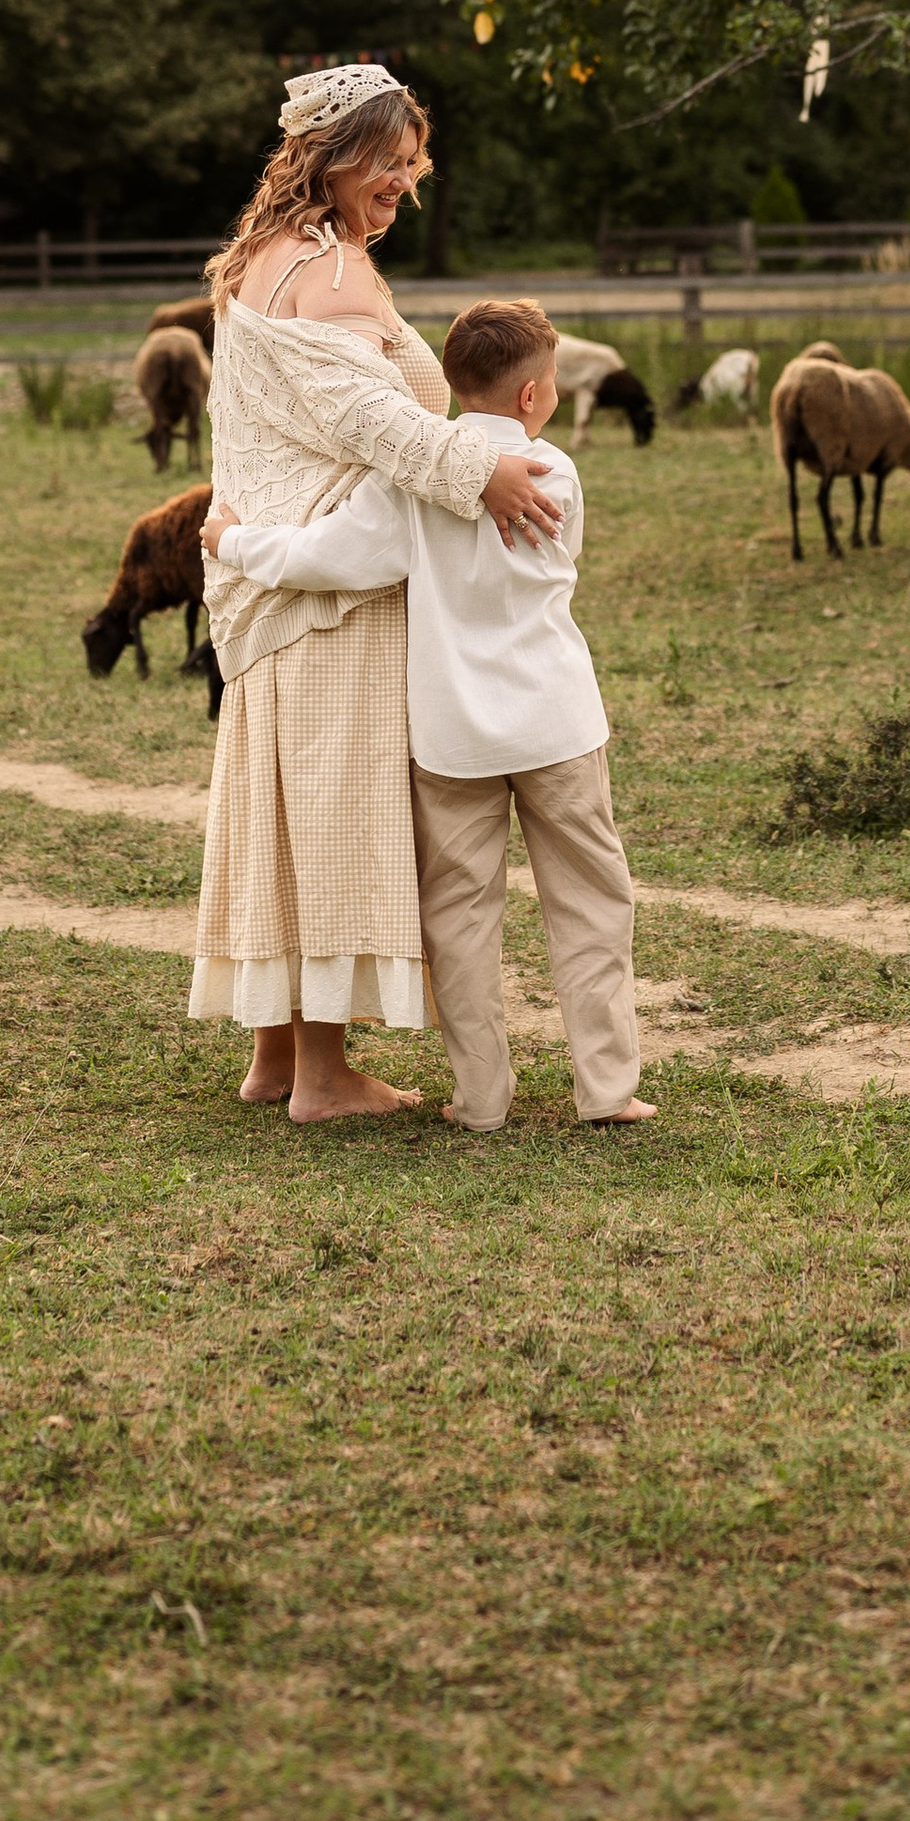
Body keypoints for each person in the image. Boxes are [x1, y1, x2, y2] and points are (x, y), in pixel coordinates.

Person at [192, 65, 562, 1125]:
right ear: (333, 154)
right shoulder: (335, 268)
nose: (405, 179)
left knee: (284, 811)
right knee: (334, 815)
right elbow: (368, 421)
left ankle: (274, 1055)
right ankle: (322, 1077)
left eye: (412, 161)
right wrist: (475, 468)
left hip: (273, 572)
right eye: (389, 160)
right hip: (332, 588)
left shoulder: (261, 259)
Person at [209, 296, 653, 1134]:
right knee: (593, 904)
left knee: (459, 917)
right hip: (557, 727)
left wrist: (232, 542)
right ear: (532, 396)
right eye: (551, 379)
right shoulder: (557, 473)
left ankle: (482, 1100)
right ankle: (607, 1089)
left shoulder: (410, 487)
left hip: (452, 738)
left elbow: (323, 560)